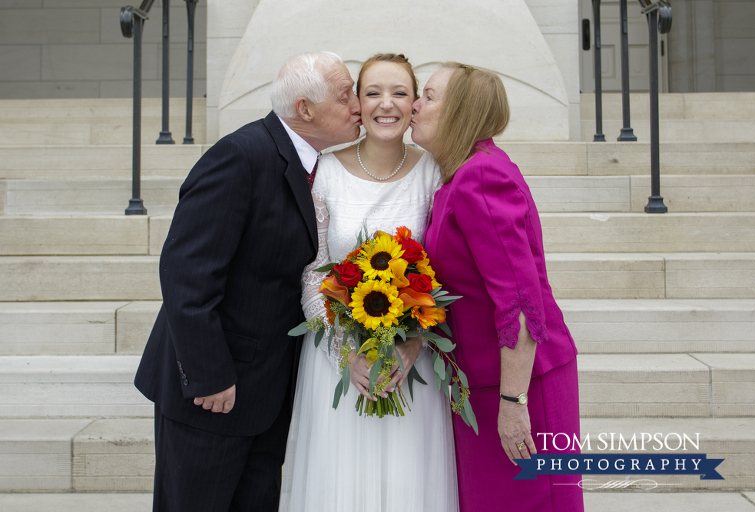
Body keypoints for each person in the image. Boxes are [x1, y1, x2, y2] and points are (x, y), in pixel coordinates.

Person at [134, 51, 362, 512]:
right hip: (213, 394)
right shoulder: (240, 155)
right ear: (305, 110)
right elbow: (186, 272)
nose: (359, 104)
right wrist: (209, 376)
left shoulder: (313, 166)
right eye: (347, 95)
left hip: (263, 396)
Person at [279, 54, 458, 512]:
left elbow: (444, 272)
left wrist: (414, 344)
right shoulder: (324, 170)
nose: (387, 104)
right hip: (337, 361)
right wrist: (348, 353)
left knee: (407, 488)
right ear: (357, 103)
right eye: (373, 92)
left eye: (400, 93)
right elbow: (312, 269)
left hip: (409, 363)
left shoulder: (433, 173)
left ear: (415, 102)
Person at [417, 63, 584, 512]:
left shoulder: (482, 176)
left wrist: (514, 402)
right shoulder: (454, 178)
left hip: (519, 386)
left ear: (460, 111)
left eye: (428, 96)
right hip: (481, 385)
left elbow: (521, 304)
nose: (414, 104)